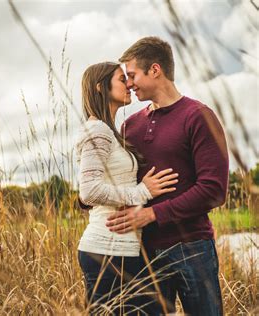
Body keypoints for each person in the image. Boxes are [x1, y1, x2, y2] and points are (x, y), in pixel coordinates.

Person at [102, 36, 229, 315]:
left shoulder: (198, 116)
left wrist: (152, 214)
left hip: (192, 248)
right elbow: (119, 181)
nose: (129, 83)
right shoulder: (129, 126)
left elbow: (213, 189)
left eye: (132, 75)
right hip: (142, 251)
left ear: (155, 70)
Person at [75, 61, 179, 314]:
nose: (130, 85)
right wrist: (142, 192)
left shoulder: (111, 132)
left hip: (123, 249)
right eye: (122, 80)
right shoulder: (97, 130)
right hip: (105, 251)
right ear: (101, 87)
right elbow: (88, 191)